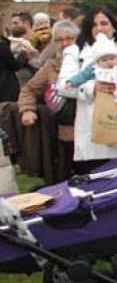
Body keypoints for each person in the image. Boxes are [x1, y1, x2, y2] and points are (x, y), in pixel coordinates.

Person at [57, 6, 117, 174]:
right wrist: (92, 88)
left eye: (104, 23)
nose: (100, 28)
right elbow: (64, 86)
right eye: (94, 25)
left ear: (113, 26)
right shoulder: (75, 51)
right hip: (95, 135)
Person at [18, 21, 80, 183]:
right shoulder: (51, 66)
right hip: (64, 132)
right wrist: (27, 109)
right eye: (59, 40)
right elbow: (29, 89)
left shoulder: (87, 62)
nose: (64, 44)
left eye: (69, 38)